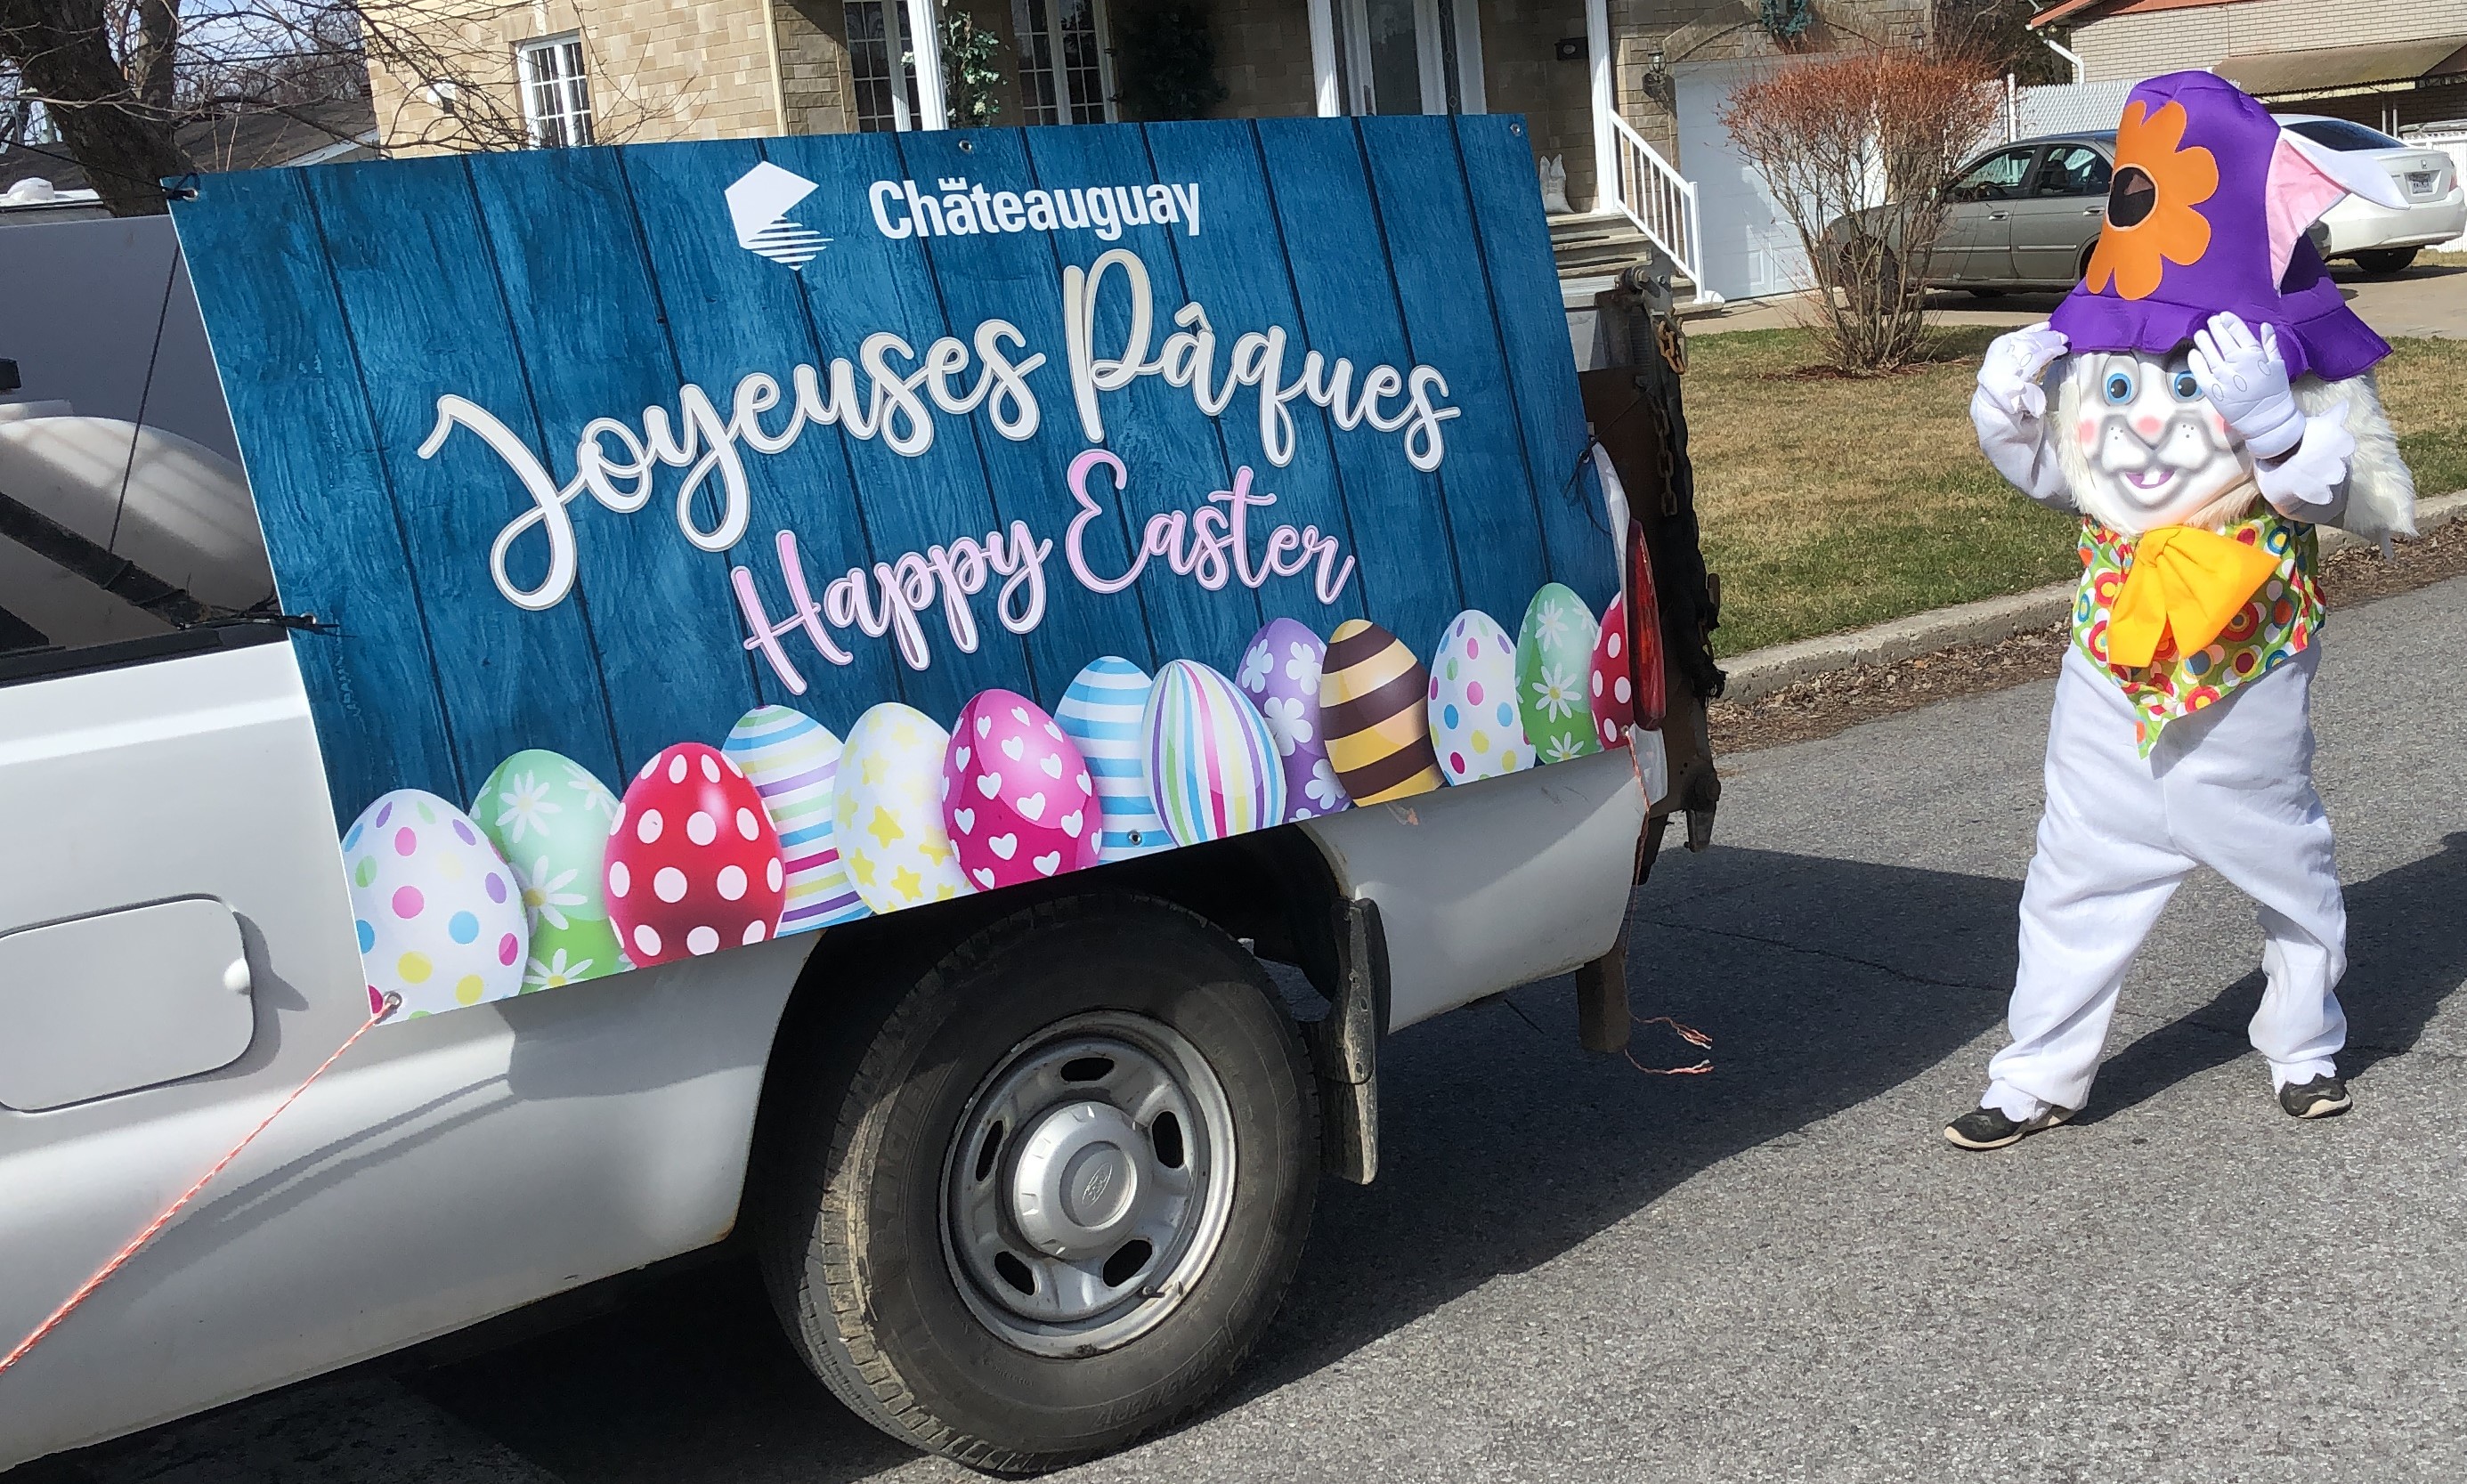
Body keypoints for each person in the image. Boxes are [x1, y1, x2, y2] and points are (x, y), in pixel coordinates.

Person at [1951, 72, 2418, 1150]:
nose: (2154, 420)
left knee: (2286, 864)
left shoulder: (2282, 368)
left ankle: (2302, 1043)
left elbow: (2344, 496)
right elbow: (2058, 474)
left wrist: (2269, 427)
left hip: (2244, 668)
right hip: (2109, 662)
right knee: (2073, 869)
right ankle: (2036, 1073)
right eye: (2129, 380)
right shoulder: (2096, 356)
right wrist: (2001, 407)